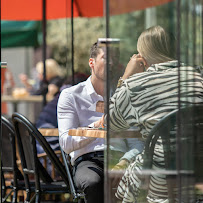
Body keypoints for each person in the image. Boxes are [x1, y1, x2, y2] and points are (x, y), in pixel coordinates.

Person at [95, 25, 203, 202]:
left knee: (124, 181)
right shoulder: (198, 76)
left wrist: (126, 77)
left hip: (160, 176)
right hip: (198, 170)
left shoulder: (136, 86)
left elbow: (110, 123)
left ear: (142, 58)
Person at [57, 42, 144, 203]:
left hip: (120, 158)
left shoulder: (124, 97)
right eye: (106, 58)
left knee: (146, 180)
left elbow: (136, 142)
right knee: (93, 182)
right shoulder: (71, 95)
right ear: (92, 62)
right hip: (88, 160)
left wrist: (125, 162)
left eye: (115, 58)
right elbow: (66, 143)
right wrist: (98, 125)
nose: (111, 62)